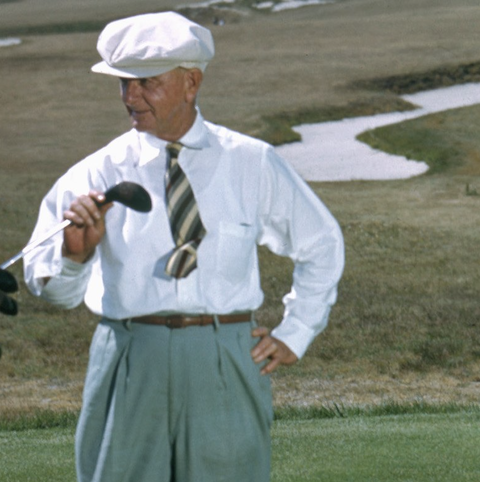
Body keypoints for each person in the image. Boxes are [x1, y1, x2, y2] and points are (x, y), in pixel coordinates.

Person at [21, 12, 345, 482]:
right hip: (129, 355)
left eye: (145, 83)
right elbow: (53, 291)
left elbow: (322, 244)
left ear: (191, 83)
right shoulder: (95, 174)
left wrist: (297, 332)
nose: (130, 98)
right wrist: (75, 257)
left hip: (226, 356)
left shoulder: (251, 162)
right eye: (122, 83)